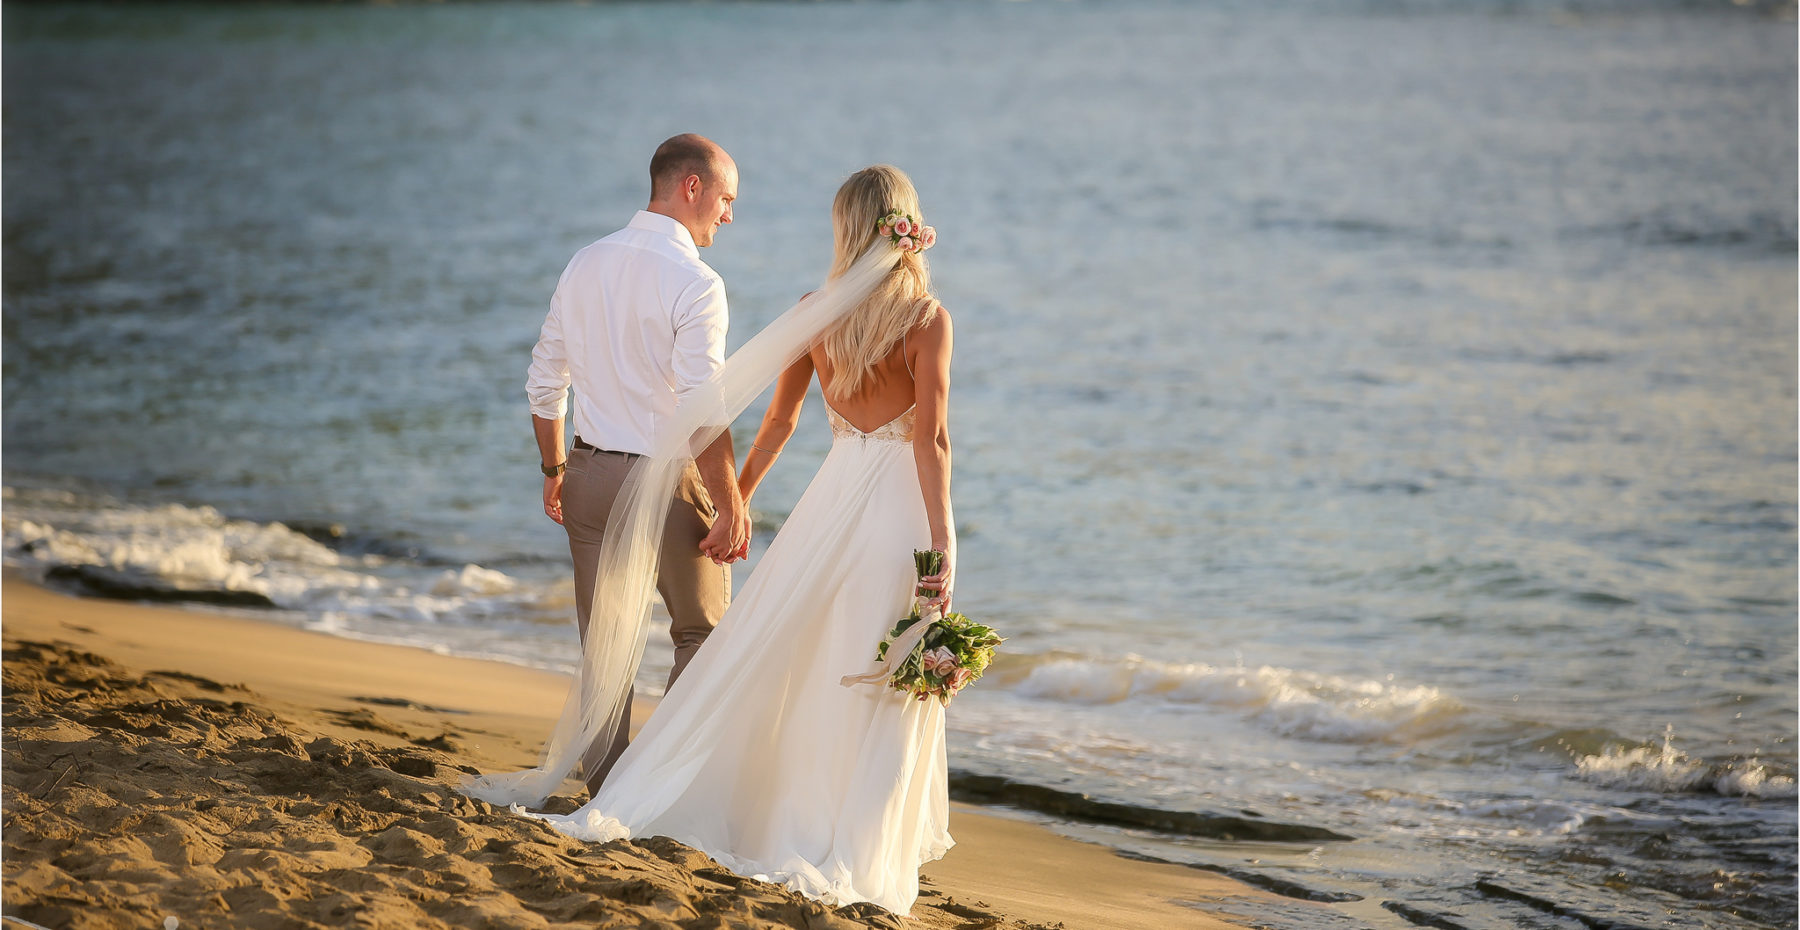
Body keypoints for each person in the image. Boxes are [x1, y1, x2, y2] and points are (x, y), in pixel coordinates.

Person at [518, 164, 957, 916]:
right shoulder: (926, 320)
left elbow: (781, 423)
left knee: (814, 664)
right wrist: (941, 547)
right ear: (908, 226)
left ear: (847, 229)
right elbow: (934, 442)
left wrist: (741, 501)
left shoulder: (815, 313)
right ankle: (857, 844)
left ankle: (773, 813)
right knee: (888, 673)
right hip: (896, 516)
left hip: (827, 510)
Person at [523, 133, 751, 796]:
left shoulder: (585, 262)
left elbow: (544, 382)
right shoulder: (697, 284)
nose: (728, 216)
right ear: (690, 187)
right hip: (665, 481)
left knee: (606, 651)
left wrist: (554, 469)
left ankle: (608, 792)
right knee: (703, 637)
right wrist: (731, 502)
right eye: (726, 199)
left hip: (588, 475)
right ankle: (650, 787)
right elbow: (702, 406)